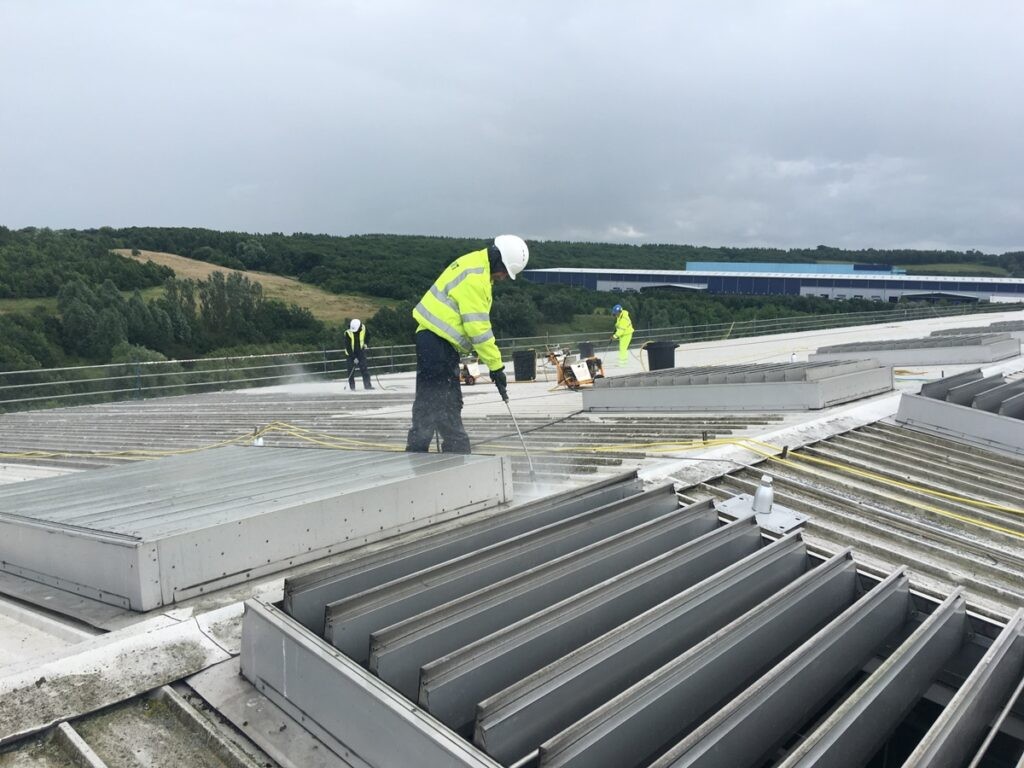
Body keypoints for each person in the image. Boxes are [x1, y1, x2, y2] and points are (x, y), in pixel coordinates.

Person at [405, 235, 529, 453]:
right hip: (437, 343)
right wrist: (496, 367)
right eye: (505, 273)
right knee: (437, 400)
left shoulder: (474, 261)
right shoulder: (476, 280)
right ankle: (441, 450)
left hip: (435, 341)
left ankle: (433, 448)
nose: (503, 278)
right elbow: (478, 330)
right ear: (499, 262)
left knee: (439, 399)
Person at [345, 318, 373, 390]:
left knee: (364, 369)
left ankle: (367, 386)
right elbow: (348, 347)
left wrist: (366, 343)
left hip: (361, 351)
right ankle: (352, 387)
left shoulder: (364, 328)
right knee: (350, 371)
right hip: (350, 354)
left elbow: (368, 336)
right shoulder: (348, 333)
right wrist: (354, 358)